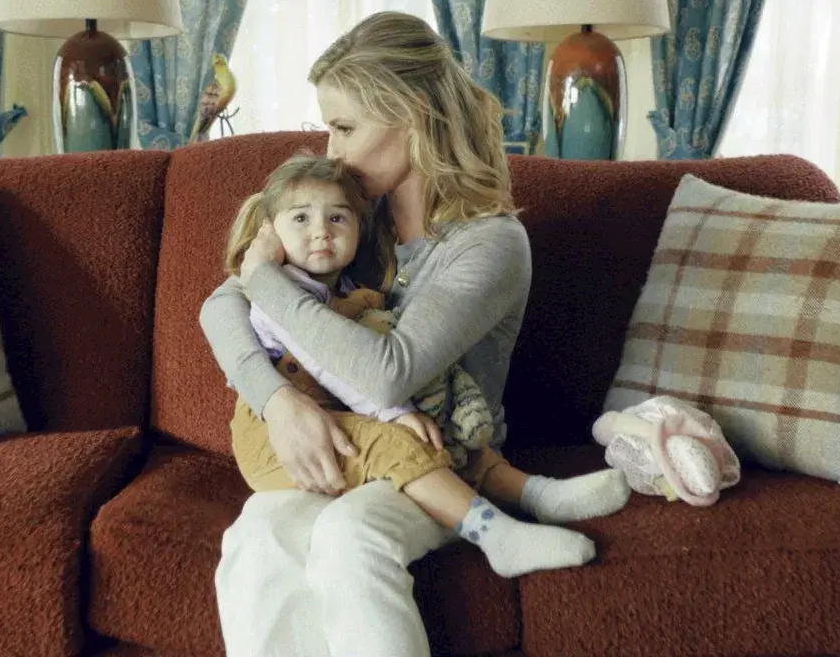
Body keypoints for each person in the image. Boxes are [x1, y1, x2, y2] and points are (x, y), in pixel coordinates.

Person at [201, 11, 630, 657]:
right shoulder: (347, 218)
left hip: (445, 463)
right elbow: (219, 308)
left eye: (345, 127)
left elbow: (388, 373)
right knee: (256, 535)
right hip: (342, 442)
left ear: (413, 113)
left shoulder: (489, 244)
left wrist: (262, 277)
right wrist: (277, 400)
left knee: (349, 535)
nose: (332, 151)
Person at [222, 151, 618, 580]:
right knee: (394, 441)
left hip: (339, 412)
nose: (321, 231)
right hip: (278, 434)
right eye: (300, 219)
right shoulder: (280, 294)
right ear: (269, 232)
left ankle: (538, 495)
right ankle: (496, 535)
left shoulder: (345, 286)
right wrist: (394, 413)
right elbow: (331, 368)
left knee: (437, 430)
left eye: (337, 218)